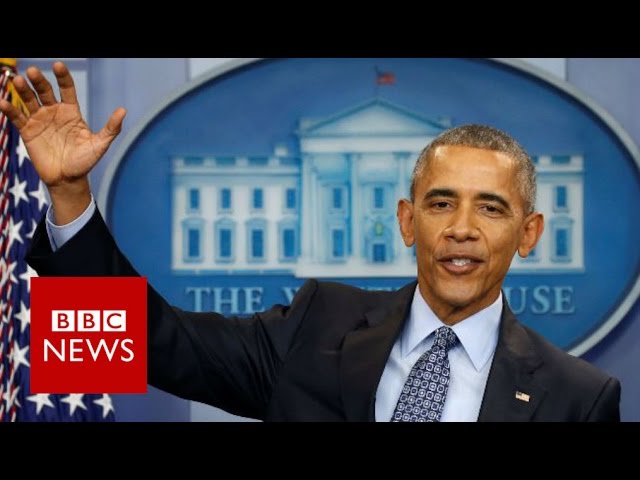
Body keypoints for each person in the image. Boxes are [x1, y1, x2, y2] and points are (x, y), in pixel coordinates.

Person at [0, 61, 621, 422]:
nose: (462, 227)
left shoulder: (579, 397)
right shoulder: (318, 325)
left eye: (490, 207)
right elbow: (144, 345)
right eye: (440, 203)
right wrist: (71, 198)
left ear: (528, 233)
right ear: (408, 222)